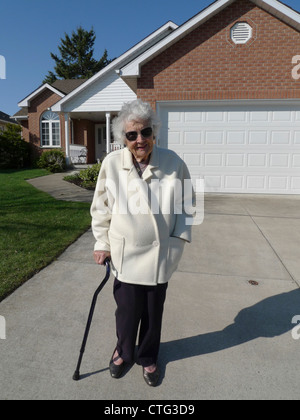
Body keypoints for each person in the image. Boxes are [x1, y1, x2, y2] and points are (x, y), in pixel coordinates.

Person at [90, 99, 194, 386]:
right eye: (131, 135)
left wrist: (178, 240)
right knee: (126, 310)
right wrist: (102, 243)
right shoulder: (112, 164)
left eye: (145, 132)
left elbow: (188, 206)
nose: (139, 140)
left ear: (154, 132)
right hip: (125, 254)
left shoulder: (173, 163)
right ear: (122, 138)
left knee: (152, 311)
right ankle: (123, 351)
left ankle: (148, 358)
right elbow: (101, 207)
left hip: (160, 254)